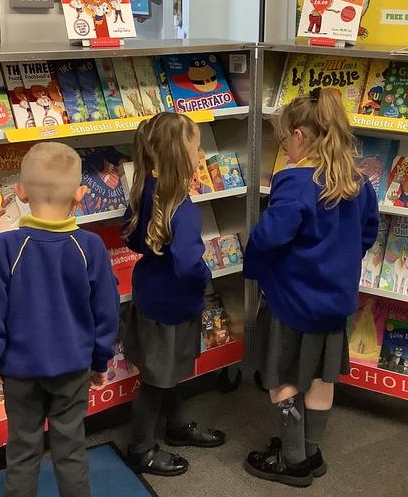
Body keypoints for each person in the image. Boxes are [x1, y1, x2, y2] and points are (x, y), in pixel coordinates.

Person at [0, 142, 120, 497]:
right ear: (80, 195)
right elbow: (106, 311)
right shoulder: (91, 247)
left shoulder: (4, 247)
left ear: (19, 192)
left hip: (19, 372)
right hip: (73, 369)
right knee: (71, 449)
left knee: (21, 451)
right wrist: (101, 360)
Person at [244, 87, 379, 488]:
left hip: (292, 300)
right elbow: (367, 233)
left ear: (300, 136)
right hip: (335, 301)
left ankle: (293, 461)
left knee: (281, 376)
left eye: (285, 139)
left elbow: (269, 236)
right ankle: (310, 450)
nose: (285, 147)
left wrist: (257, 262)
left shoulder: (295, 181)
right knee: (322, 378)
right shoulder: (357, 180)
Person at [122, 113, 226, 476]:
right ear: (181, 155)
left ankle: (177, 425)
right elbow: (187, 264)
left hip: (150, 297)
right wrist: (204, 276)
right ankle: (140, 448)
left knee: (164, 372)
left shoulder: (145, 190)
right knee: (155, 382)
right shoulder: (183, 209)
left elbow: (132, 240)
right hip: (172, 305)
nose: (201, 154)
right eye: (197, 147)